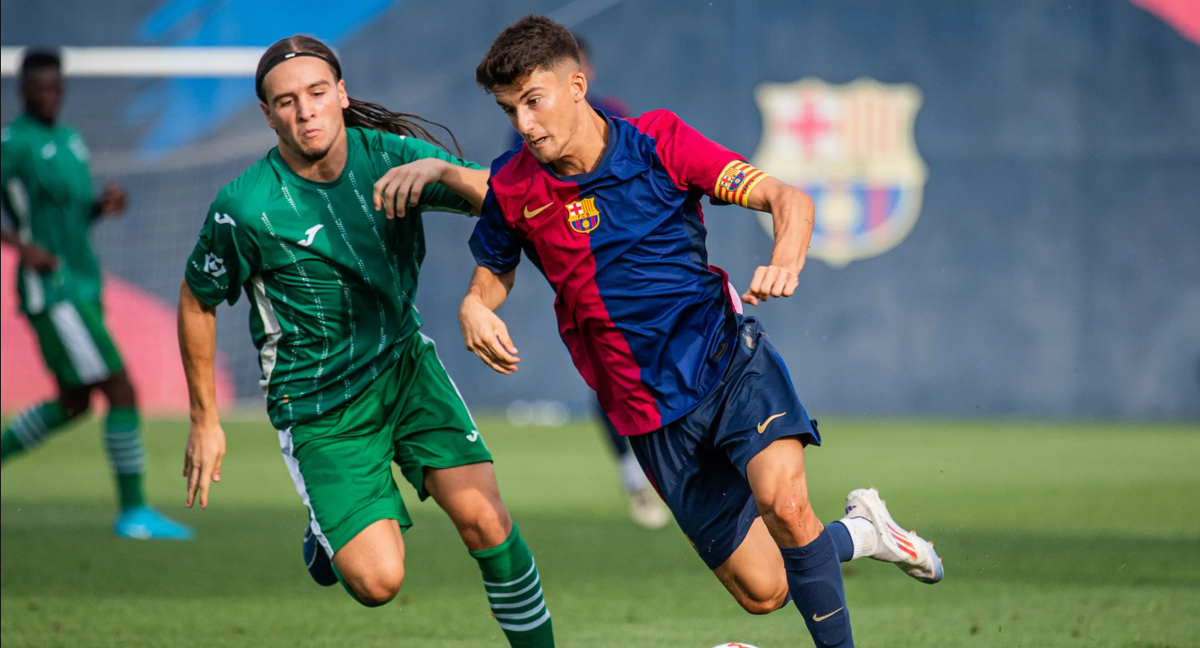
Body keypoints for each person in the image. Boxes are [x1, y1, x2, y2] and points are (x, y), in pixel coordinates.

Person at [460, 16, 942, 647]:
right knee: (764, 591)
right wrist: (477, 304)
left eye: (533, 100)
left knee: (787, 506)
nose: (524, 123)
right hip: (647, 413)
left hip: (727, 362)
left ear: (576, 85)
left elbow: (787, 198)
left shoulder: (657, 141)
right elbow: (494, 267)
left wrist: (786, 259)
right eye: (509, 108)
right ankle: (865, 534)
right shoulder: (512, 185)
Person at [177, 35, 554, 646]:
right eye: (287, 102)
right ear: (268, 114)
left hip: (405, 369)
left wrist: (442, 170)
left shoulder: (391, 160)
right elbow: (197, 299)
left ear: (342, 94)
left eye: (318, 94)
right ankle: (326, 534)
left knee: (488, 522)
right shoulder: (244, 209)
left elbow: (508, 200)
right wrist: (204, 419)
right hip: (321, 408)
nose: (305, 112)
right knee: (378, 582)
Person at [0, 49, 192, 541]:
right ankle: (133, 512)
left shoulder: (70, 141)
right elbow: (28, 225)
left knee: (74, 401)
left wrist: (102, 206)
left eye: (55, 88)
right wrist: (25, 248)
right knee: (121, 390)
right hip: (54, 289)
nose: (48, 96)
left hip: (84, 282)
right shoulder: (15, 144)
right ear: (22, 91)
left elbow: (69, 215)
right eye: (39, 88)